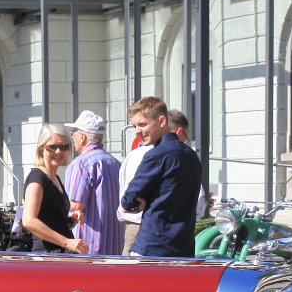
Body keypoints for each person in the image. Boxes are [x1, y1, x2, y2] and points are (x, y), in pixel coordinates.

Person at [121, 97, 202, 258]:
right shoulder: (192, 156)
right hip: (184, 248)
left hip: (153, 247)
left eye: (142, 124)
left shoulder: (155, 155)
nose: (137, 131)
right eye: (135, 126)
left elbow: (127, 202)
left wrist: (140, 202)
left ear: (162, 121)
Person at [62, 110, 124, 256]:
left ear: (83, 137)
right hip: (115, 244)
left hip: (89, 247)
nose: (72, 136)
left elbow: (76, 205)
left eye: (74, 132)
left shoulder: (81, 164)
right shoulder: (115, 162)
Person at [21, 125, 87, 254]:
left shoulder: (54, 178)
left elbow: (51, 221)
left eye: (64, 147)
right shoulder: (37, 179)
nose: (58, 151)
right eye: (52, 147)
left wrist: (71, 220)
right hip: (47, 255)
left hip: (59, 254)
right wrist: (67, 242)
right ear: (41, 150)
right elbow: (29, 221)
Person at [167, 110, 213, 218]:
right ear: (179, 131)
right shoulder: (184, 155)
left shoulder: (138, 154)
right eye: (186, 137)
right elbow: (197, 204)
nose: (185, 141)